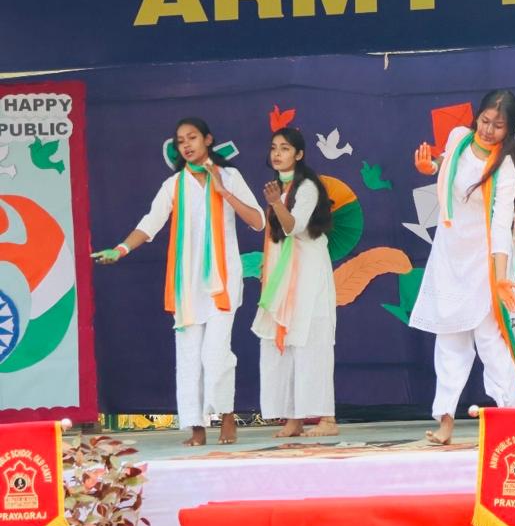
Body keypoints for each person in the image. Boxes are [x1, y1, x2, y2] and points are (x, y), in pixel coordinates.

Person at [91, 118, 264, 446]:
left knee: (216, 352)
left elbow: (258, 221)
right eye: (180, 141)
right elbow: (150, 223)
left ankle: (227, 415)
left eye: (192, 138)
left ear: (208, 140)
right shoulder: (173, 185)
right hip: (187, 285)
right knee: (188, 356)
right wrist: (121, 249)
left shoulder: (230, 176)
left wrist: (224, 192)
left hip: (223, 280)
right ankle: (195, 426)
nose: (186, 145)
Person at [410, 90, 515, 443]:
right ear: (477, 117)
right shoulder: (459, 138)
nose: (488, 130)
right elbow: (446, 164)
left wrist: (501, 277)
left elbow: (501, 224)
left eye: (498, 125)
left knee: (491, 341)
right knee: (449, 339)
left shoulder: (505, 166)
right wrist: (430, 168)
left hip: (484, 260)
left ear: (510, 130)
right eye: (485, 121)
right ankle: (445, 421)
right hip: (449, 254)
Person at [252, 126, 339, 438]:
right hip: (284, 276)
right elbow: (275, 237)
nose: (277, 153)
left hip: (308, 276)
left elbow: (293, 227)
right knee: (284, 343)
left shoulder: (308, 188)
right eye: (274, 147)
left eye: (285, 148)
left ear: (299, 154)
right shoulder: (279, 187)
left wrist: (276, 203)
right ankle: (293, 417)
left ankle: (327, 418)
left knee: (311, 342)